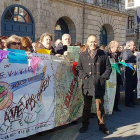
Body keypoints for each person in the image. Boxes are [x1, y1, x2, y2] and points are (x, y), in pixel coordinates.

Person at [77, 35, 112, 134]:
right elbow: (79, 68)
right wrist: (84, 76)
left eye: (95, 41)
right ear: (87, 43)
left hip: (99, 84)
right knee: (86, 106)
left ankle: (102, 125)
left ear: (97, 42)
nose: (93, 43)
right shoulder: (83, 55)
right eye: (91, 42)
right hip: (87, 84)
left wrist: (103, 78)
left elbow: (108, 68)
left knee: (100, 106)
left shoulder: (103, 54)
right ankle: (85, 124)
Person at [121, 40, 138, 107]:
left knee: (133, 86)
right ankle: (128, 102)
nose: (134, 46)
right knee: (129, 87)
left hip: (134, 71)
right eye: (133, 45)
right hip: (128, 71)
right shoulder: (126, 52)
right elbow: (126, 61)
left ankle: (132, 100)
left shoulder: (133, 52)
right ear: (129, 45)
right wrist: (134, 56)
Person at [108, 41, 123, 112]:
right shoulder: (107, 53)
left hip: (117, 75)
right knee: (110, 92)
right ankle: (110, 106)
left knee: (117, 91)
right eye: (117, 47)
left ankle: (116, 106)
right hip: (110, 76)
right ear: (112, 47)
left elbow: (120, 62)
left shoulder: (119, 54)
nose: (118, 49)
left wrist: (121, 62)